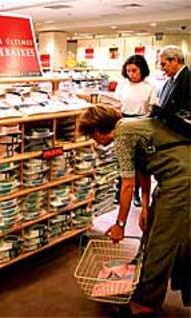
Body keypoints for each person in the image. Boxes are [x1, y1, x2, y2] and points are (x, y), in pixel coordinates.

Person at [79, 105, 190, 316]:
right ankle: (137, 278)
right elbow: (143, 172)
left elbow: (128, 185)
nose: (95, 143)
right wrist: (146, 207)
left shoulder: (121, 138)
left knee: (161, 243)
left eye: (92, 137)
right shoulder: (133, 126)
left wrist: (119, 224)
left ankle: (145, 303)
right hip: (174, 177)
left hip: (182, 181)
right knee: (152, 230)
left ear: (98, 130)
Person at [114, 54, 157, 207]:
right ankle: (120, 191)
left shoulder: (150, 87)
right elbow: (117, 104)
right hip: (123, 122)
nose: (131, 74)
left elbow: (152, 109)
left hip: (141, 124)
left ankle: (136, 194)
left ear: (142, 70)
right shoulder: (123, 85)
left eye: (134, 71)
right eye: (129, 71)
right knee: (123, 161)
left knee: (140, 164)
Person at [151, 45, 191, 136]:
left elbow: (186, 113)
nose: (161, 68)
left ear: (175, 60)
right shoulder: (169, 81)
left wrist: (163, 114)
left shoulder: (188, 78)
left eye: (163, 64)